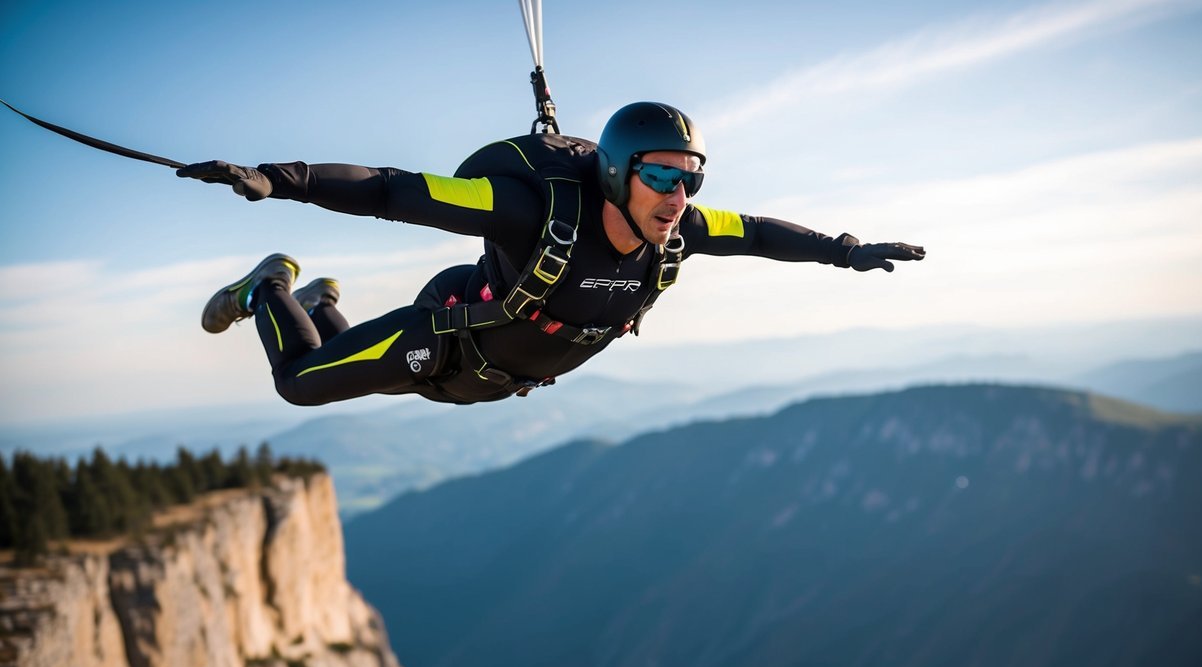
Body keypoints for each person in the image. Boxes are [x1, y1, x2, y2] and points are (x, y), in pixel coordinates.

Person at [177, 102, 925, 406]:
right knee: (303, 385)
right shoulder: (533, 214)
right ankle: (270, 287)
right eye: (660, 174)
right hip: (442, 342)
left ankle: (321, 305)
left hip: (486, 377)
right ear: (617, 171)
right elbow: (392, 190)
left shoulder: (682, 231)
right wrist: (277, 179)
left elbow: (758, 233)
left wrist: (843, 252)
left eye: (691, 177)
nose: (678, 194)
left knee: (353, 367)